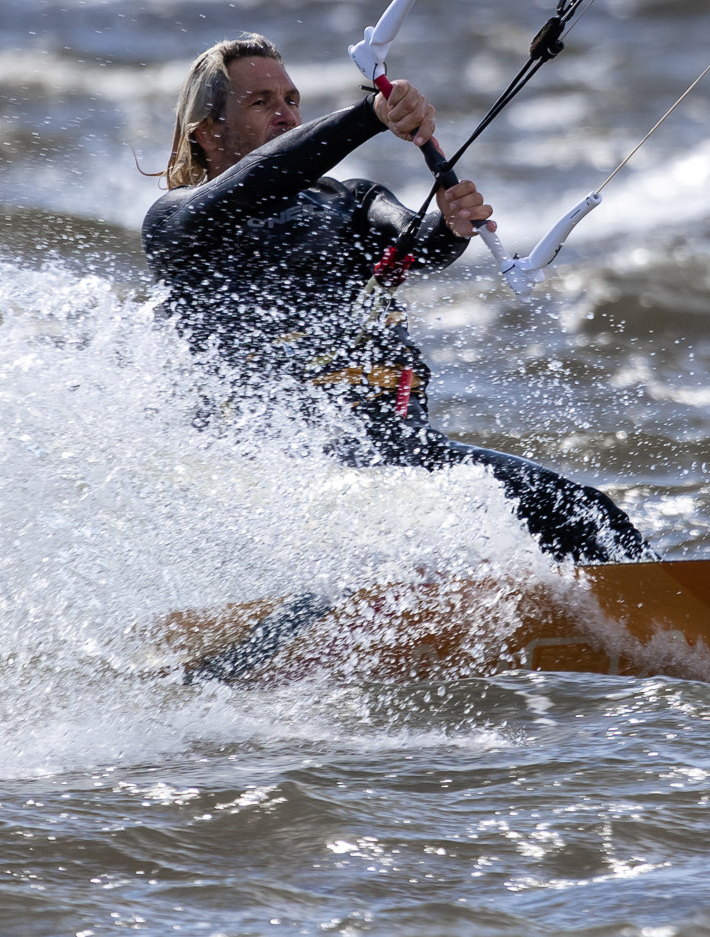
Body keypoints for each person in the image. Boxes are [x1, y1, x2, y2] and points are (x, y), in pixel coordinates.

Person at [143, 34, 648, 563]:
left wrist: (451, 227)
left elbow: (417, 241)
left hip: (403, 453)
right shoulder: (181, 223)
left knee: (586, 514)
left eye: (292, 100)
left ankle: (683, 631)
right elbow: (262, 178)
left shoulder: (350, 201)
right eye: (260, 102)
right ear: (205, 131)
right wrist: (368, 116)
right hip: (281, 476)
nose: (286, 115)